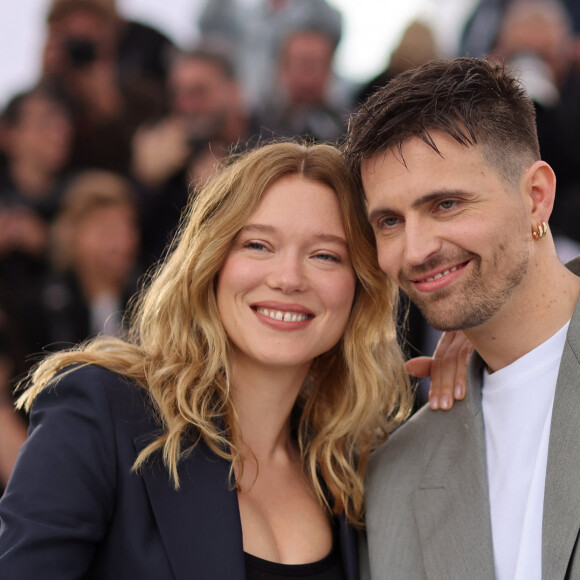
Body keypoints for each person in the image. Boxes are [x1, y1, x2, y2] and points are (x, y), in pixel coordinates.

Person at [0, 141, 415, 578]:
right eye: (258, 245)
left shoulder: (350, 466)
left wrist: (476, 363)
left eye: (326, 255)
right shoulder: (102, 410)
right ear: (212, 261)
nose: (289, 278)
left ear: (360, 287)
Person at [343, 57, 580, 579]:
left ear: (536, 197)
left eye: (446, 204)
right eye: (389, 221)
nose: (416, 249)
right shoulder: (395, 475)